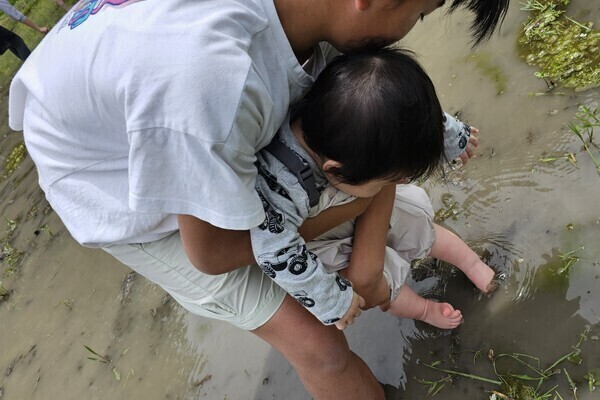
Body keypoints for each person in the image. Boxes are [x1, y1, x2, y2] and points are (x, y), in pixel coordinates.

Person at [8, 0, 510, 398]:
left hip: (156, 99)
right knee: (319, 346)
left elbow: (382, 123)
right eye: (418, 15)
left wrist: (366, 260)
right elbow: (213, 252)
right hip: (109, 176)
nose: (407, 32)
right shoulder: (207, 85)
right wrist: (354, 228)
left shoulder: (321, 21)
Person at [251, 47, 496, 332]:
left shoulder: (345, 111)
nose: (400, 183)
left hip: (345, 193)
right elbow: (274, 251)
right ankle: (424, 308)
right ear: (335, 170)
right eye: (389, 180)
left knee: (414, 223)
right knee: (372, 284)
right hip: (317, 239)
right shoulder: (280, 187)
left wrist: (450, 136)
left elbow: (405, 109)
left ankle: (471, 263)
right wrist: (333, 302)